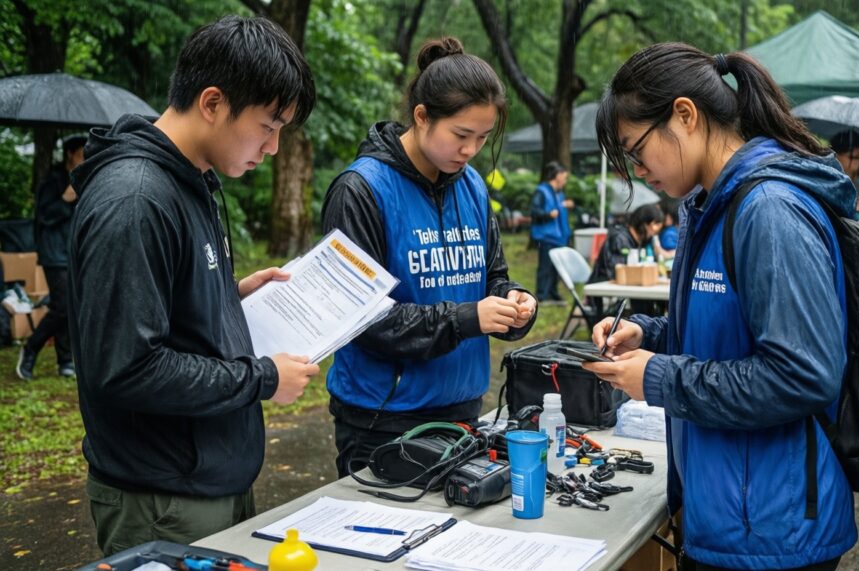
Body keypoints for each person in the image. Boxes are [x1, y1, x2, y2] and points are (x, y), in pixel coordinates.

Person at [583, 44, 858, 570]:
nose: (639, 171)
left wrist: (660, 378)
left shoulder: (769, 211)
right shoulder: (708, 204)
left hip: (773, 534)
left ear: (685, 115)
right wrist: (650, 334)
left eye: (636, 151)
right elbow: (731, 329)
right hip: (731, 517)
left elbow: (804, 375)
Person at [67, 16, 319, 555]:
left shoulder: (193, 177)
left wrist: (228, 293)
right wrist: (262, 378)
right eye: (268, 126)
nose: (272, 149)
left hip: (207, 480)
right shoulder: (134, 200)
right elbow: (128, 366)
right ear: (212, 102)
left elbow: (166, 300)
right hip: (161, 500)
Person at [320, 37, 537, 479]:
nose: (471, 150)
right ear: (422, 117)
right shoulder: (361, 191)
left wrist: (515, 301)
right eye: (460, 135)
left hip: (462, 410)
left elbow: (493, 277)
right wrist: (465, 318)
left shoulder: (472, 186)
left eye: (482, 138)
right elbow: (360, 320)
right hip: (385, 421)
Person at [16, 134, 87, 380]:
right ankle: (30, 348)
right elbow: (44, 217)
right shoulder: (52, 181)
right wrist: (65, 200)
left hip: (73, 251)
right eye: (81, 153)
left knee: (69, 305)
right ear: (70, 154)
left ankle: (65, 360)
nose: (84, 158)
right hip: (53, 252)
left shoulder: (81, 181)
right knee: (62, 306)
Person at [530, 161, 573, 304]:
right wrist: (548, 214)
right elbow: (534, 211)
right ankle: (541, 295)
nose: (565, 181)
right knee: (545, 266)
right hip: (546, 236)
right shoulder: (541, 191)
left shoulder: (559, 193)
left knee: (557, 268)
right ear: (558, 175)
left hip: (560, 237)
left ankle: (553, 293)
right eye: (564, 177)